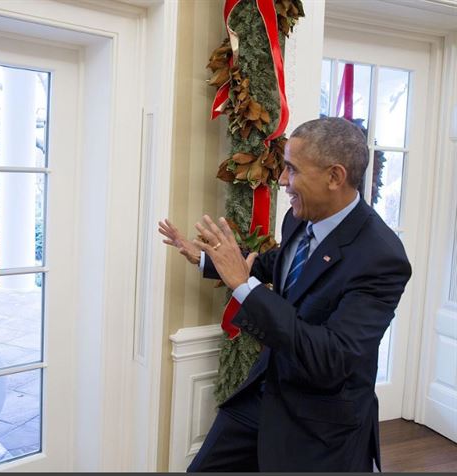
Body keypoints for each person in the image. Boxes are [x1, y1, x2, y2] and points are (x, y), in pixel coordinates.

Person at [158, 117, 411, 472]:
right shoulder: (299, 218)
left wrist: (244, 287)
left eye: (291, 169)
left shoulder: (382, 256)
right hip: (265, 391)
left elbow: (331, 356)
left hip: (321, 423)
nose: (281, 180)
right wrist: (208, 259)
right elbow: (280, 263)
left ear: (334, 177)